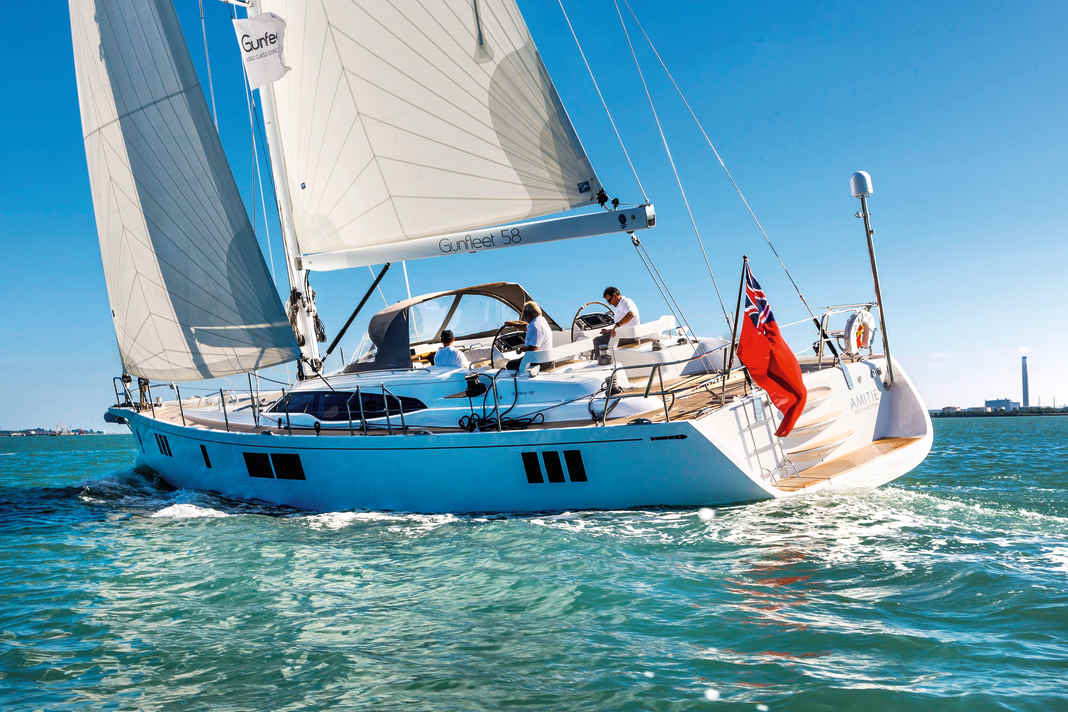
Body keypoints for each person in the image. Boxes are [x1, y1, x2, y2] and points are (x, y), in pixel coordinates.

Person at [503, 301, 551, 368]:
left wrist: (520, 349)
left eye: (524, 314)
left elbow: (533, 348)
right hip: (547, 360)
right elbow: (525, 325)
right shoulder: (541, 321)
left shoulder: (535, 326)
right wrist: (513, 323)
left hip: (538, 362)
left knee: (509, 365)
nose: (524, 317)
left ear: (528, 314)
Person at [594, 287, 640, 353]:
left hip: (629, 337)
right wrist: (610, 331)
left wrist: (617, 325)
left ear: (615, 296)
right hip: (623, 335)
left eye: (609, 300)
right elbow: (622, 325)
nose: (609, 303)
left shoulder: (626, 302)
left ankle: (603, 362)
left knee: (598, 341)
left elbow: (631, 314)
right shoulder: (619, 306)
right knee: (601, 338)